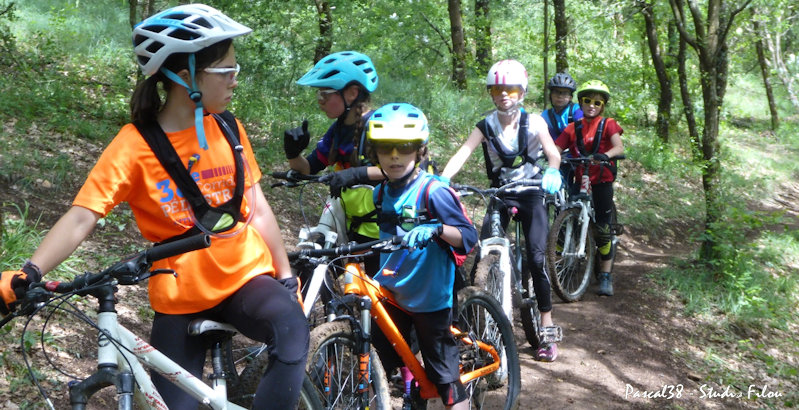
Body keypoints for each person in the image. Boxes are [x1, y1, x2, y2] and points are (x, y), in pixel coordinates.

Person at [0, 4, 308, 409]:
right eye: (225, 71)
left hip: (246, 278)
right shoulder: (134, 144)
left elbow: (258, 210)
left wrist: (285, 279)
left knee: (291, 329)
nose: (235, 79)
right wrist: (31, 271)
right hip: (180, 294)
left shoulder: (228, 128)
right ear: (185, 78)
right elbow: (83, 215)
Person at [441, 59, 563, 362]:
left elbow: (552, 153)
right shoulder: (486, 125)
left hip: (532, 193)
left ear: (521, 92)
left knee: (536, 258)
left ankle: (546, 327)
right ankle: (475, 321)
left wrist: (553, 170)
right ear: (491, 93)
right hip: (500, 193)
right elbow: (463, 152)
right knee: (481, 253)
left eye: (510, 89)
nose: (503, 94)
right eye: (497, 89)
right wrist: (442, 179)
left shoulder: (534, 122)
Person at [366, 103, 478, 409]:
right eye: (385, 149)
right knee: (382, 358)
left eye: (404, 148)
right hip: (393, 294)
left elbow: (468, 237)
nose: (394, 157)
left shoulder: (433, 192)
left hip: (431, 299)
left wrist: (438, 228)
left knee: (446, 380)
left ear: (420, 151)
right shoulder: (380, 193)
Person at [284, 50, 383, 274]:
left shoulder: (379, 125)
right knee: (310, 271)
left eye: (325, 94)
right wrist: (293, 153)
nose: (320, 101)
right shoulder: (338, 130)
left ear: (352, 93)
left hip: (382, 228)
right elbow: (309, 168)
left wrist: (355, 174)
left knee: (384, 298)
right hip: (347, 224)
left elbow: (397, 170)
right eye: (318, 94)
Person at [554, 79, 624, 296]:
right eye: (587, 101)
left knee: (603, 228)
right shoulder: (572, 128)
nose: (591, 105)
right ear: (580, 103)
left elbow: (618, 146)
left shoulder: (609, 124)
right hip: (580, 178)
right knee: (566, 219)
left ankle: (605, 274)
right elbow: (556, 147)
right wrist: (551, 159)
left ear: (602, 105)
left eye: (597, 102)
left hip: (601, 180)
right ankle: (556, 263)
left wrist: (606, 155)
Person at [541, 72, 583, 142]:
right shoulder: (545, 115)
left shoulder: (577, 109)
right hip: (554, 148)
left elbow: (583, 123)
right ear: (550, 95)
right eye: (556, 92)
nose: (560, 96)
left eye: (565, 93)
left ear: (570, 97)